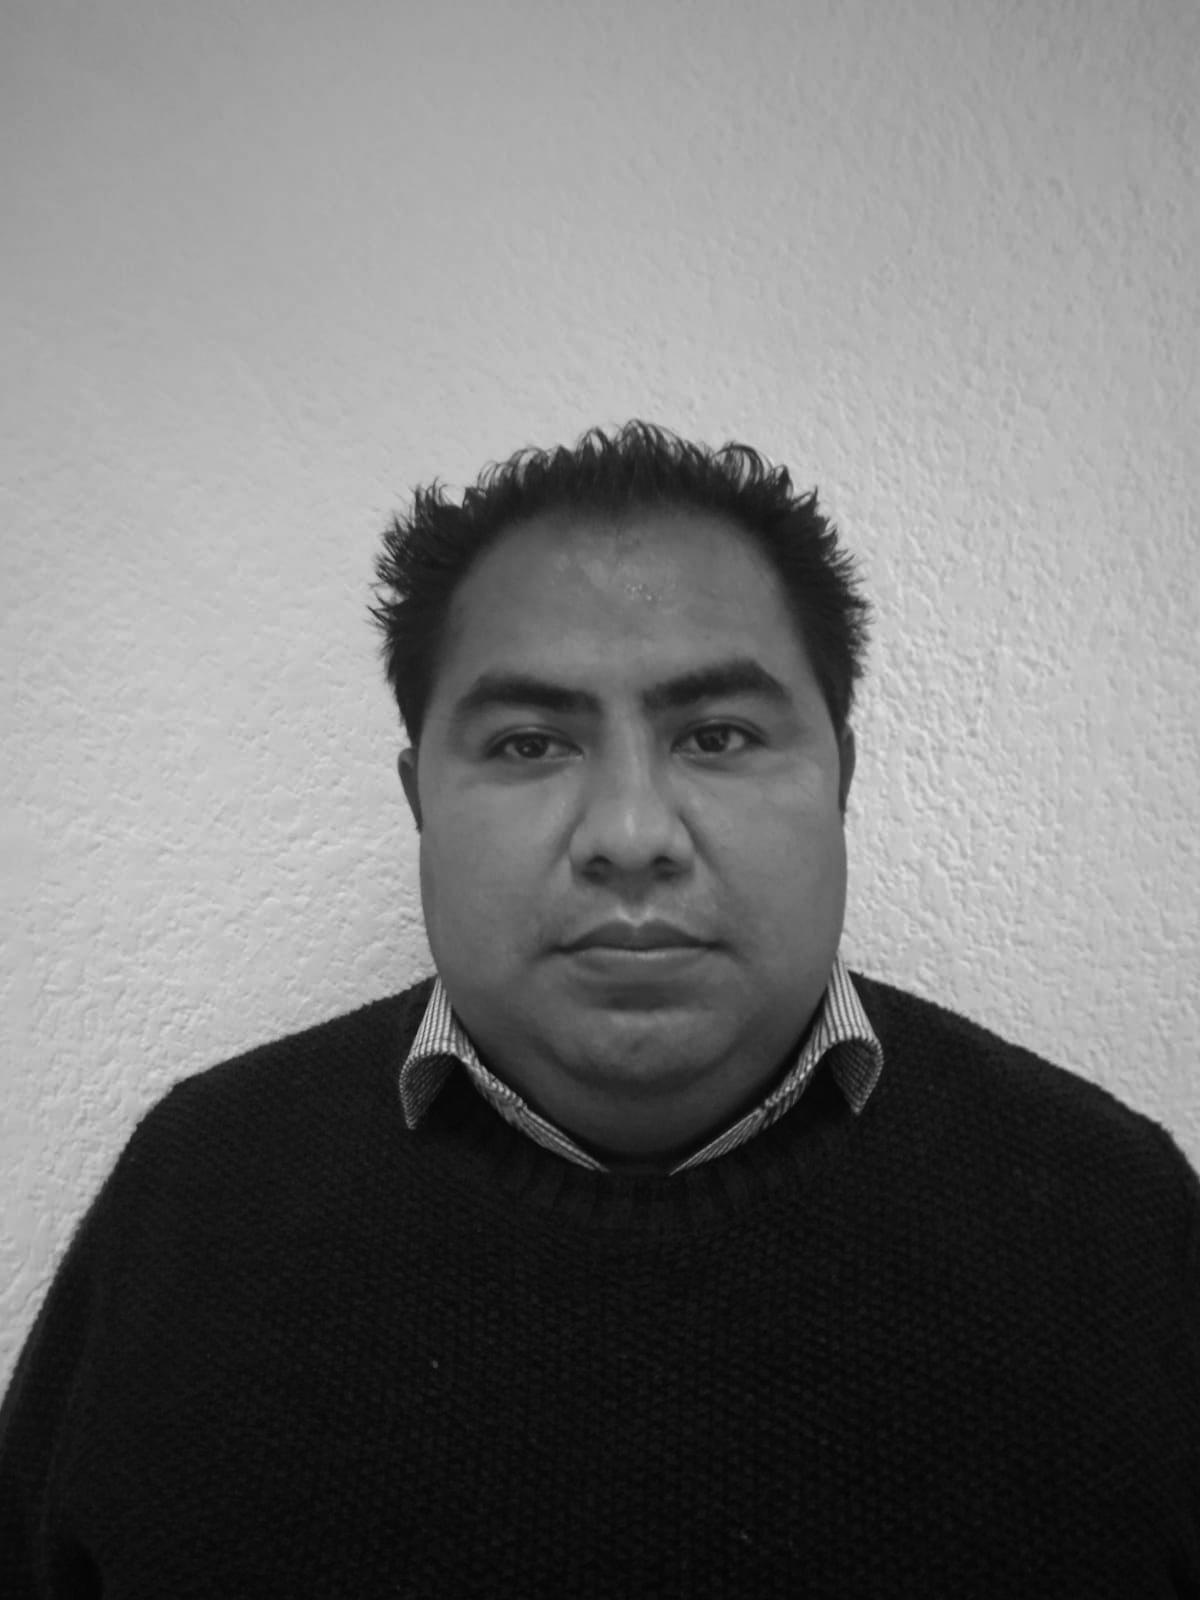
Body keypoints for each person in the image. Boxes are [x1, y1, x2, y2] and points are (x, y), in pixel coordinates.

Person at [1, 421, 1197, 1597]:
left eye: (718, 735)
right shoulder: (198, 1200)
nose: (630, 834)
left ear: (842, 774)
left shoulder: (1117, 1219)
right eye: (530, 744)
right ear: (420, 800)